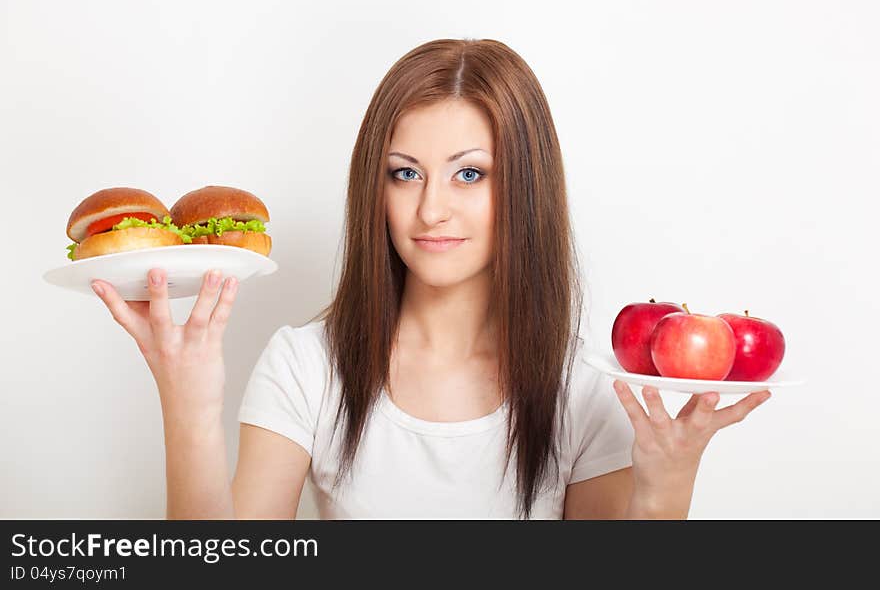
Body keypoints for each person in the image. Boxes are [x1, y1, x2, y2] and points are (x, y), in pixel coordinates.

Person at [91, 38, 771, 520]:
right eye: (405, 172)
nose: (431, 207)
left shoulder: (585, 389)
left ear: (525, 189)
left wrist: (666, 486)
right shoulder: (307, 366)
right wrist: (186, 404)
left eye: (470, 172)